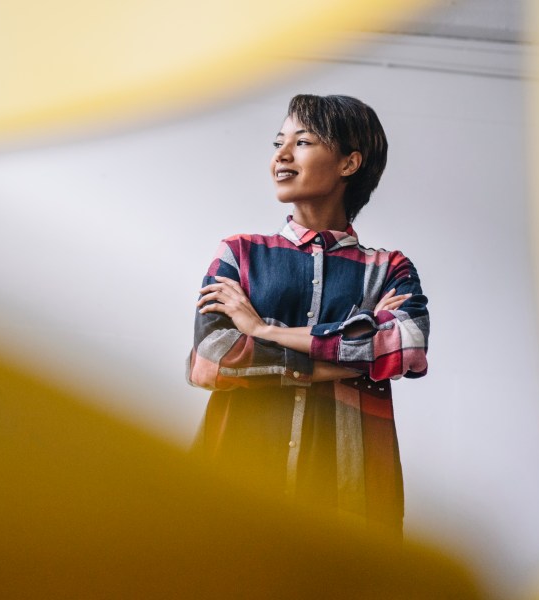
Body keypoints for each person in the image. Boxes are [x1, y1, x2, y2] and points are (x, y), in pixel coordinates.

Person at [186, 94, 429, 534]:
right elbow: (211, 360)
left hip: (350, 498)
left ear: (349, 163)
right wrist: (349, 359)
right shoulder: (239, 253)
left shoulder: (389, 268)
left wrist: (263, 330)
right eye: (278, 142)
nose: (281, 155)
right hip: (232, 489)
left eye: (302, 142)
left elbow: (405, 348)